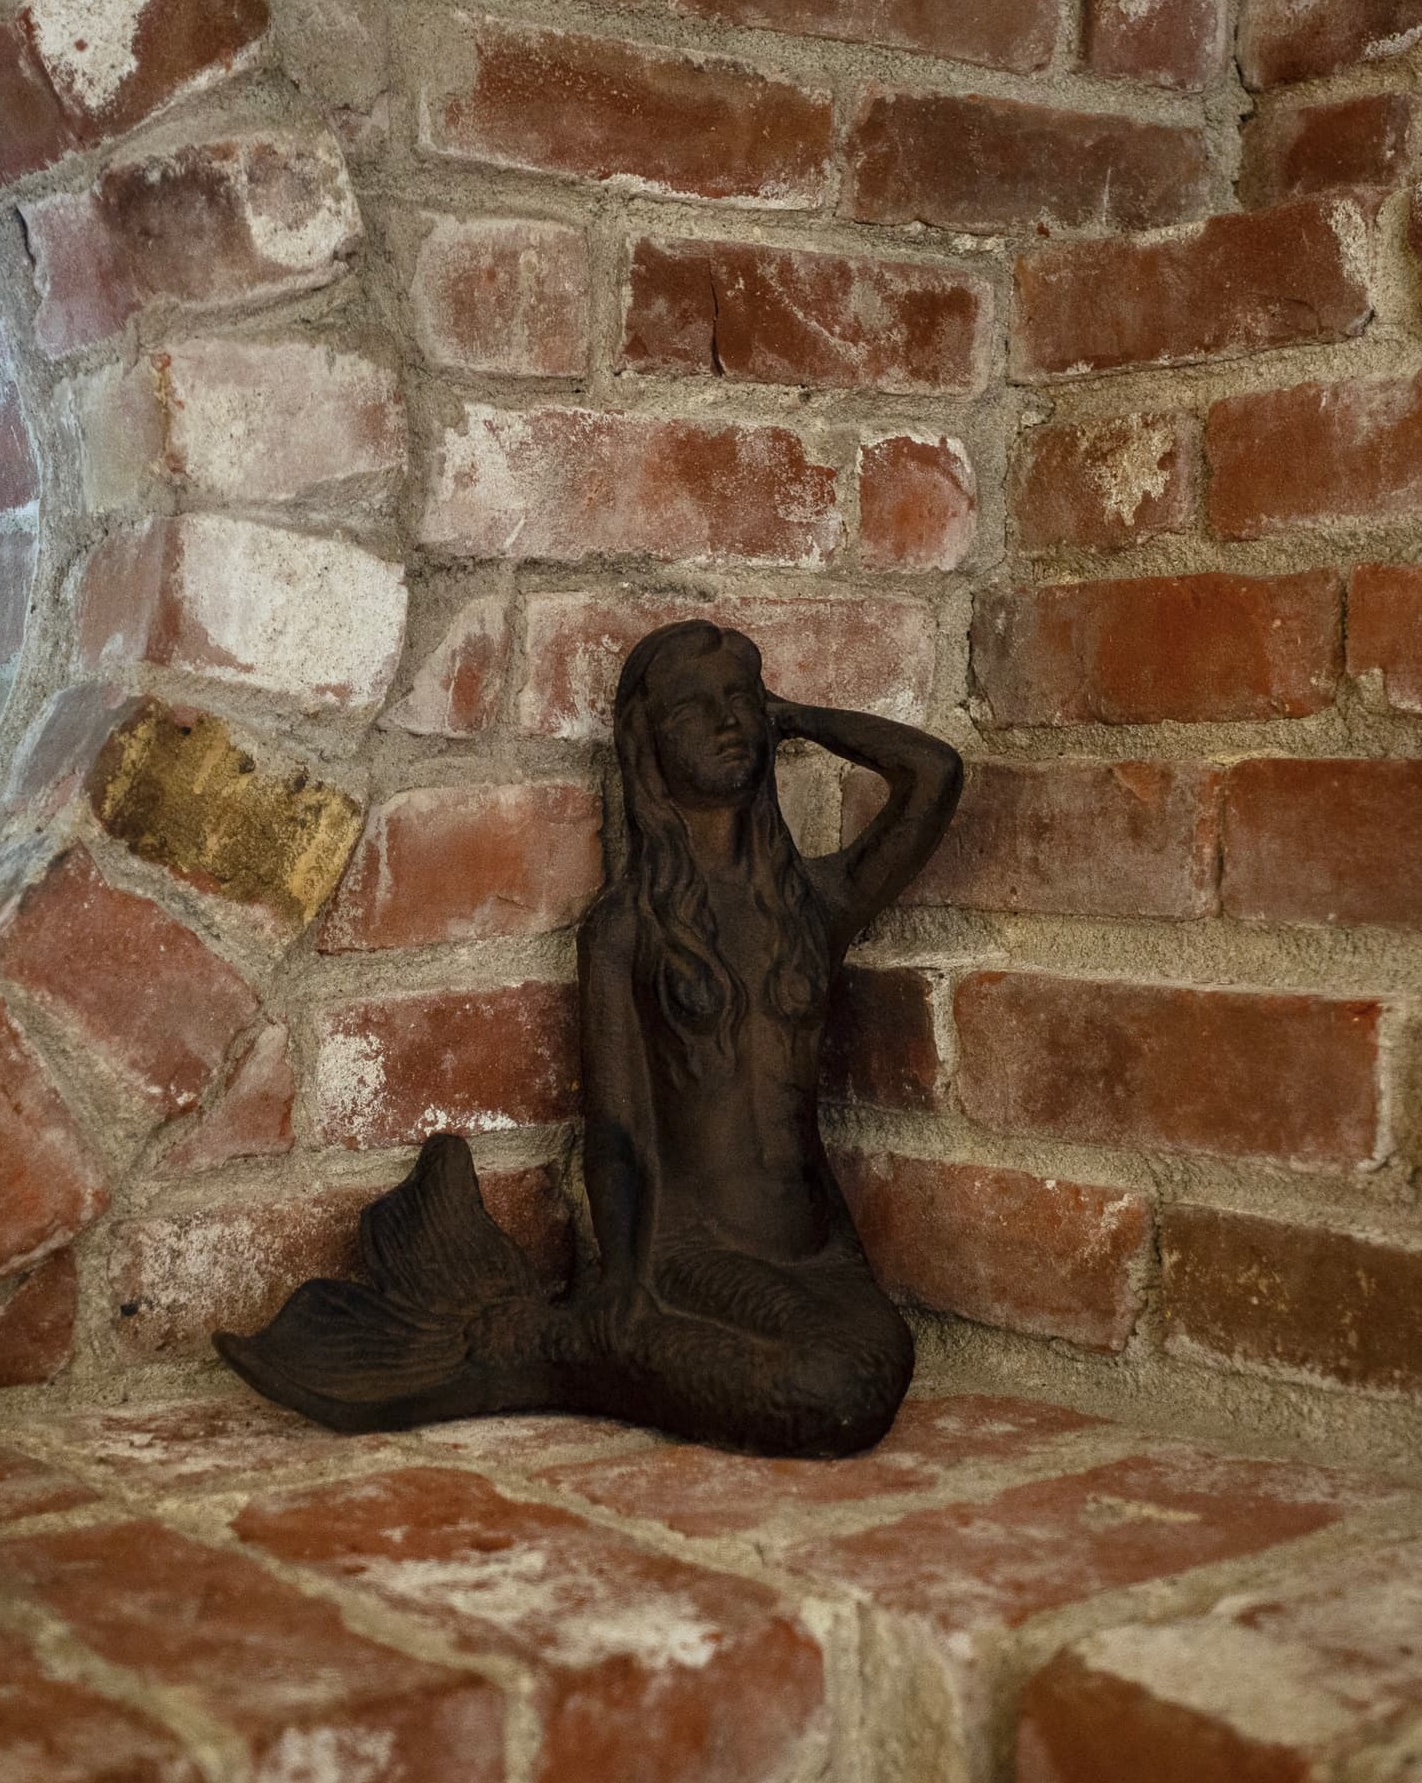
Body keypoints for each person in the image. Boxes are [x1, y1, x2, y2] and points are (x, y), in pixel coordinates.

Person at [220, 618, 964, 1458]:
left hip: (818, 1253)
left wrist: (791, 714)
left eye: (740, 702)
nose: (728, 722)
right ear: (646, 743)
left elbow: (934, 774)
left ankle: (558, 1343)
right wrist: (631, 1281)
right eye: (695, 708)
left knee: (877, 1366)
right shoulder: (627, 929)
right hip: (689, 1257)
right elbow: (617, 1132)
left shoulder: (813, 906)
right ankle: (581, 1340)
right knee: (829, 1393)